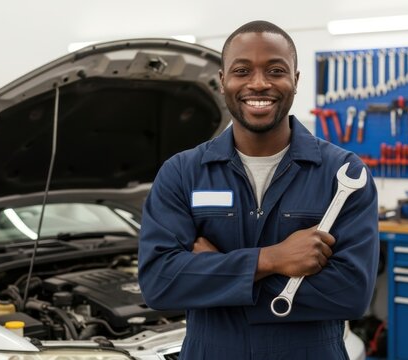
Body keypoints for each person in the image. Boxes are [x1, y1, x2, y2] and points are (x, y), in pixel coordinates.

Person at [138, 20, 379, 359]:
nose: (259, 83)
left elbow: (350, 294)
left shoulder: (342, 173)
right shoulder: (182, 173)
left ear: (295, 80)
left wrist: (217, 273)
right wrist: (273, 259)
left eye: (276, 70)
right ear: (223, 81)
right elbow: (160, 284)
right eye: (242, 70)